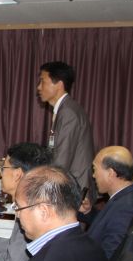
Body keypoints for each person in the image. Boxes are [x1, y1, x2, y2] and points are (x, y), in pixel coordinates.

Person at [36, 61, 96, 202]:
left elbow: (62, 161)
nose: (38, 87)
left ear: (59, 84)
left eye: (42, 81)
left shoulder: (68, 112)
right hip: (70, 187)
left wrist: (43, 190)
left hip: (75, 191)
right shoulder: (65, 109)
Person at [80, 145, 133, 260]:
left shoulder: (127, 209)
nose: (93, 176)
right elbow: (108, 225)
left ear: (110, 173)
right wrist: (88, 211)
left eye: (95, 169)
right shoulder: (129, 197)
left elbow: (109, 257)